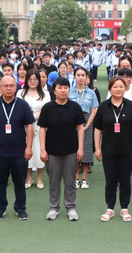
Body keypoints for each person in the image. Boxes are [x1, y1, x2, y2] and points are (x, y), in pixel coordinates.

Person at [0, 76, 35, 221]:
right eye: (5, 85)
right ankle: (0, 209)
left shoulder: (23, 105)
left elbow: (29, 126)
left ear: (16, 87)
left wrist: (29, 147)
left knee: (20, 182)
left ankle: (20, 208)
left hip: (19, 151)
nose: (8, 88)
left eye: (11, 85)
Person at [94, 77, 132, 222]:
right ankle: (110, 208)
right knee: (110, 180)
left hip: (126, 149)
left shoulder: (130, 106)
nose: (119, 89)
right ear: (110, 89)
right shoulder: (103, 106)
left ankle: (124, 207)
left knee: (125, 179)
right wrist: (97, 148)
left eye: (121, 86)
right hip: (108, 149)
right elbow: (97, 128)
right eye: (115, 87)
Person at [38, 77, 85, 221]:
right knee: (54, 180)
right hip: (52, 151)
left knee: (70, 180)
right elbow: (42, 129)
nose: (63, 90)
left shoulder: (75, 107)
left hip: (71, 150)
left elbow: (80, 128)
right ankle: (53, 207)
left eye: (65, 88)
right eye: (60, 88)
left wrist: (80, 148)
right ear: (55, 90)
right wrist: (42, 149)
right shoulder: (47, 108)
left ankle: (71, 207)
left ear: (69, 89)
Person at [17, 69, 50, 189]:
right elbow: (18, 108)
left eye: (35, 79)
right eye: (30, 79)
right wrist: (28, 119)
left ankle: (40, 178)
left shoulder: (45, 93)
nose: (32, 81)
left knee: (39, 150)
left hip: (40, 125)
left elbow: (46, 108)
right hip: (24, 125)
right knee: (27, 150)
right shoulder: (20, 93)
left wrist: (34, 117)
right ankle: (29, 177)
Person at [68, 66, 98, 189]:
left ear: (87, 78)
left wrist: (88, 124)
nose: (80, 78)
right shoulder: (69, 91)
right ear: (74, 77)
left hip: (86, 121)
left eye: (83, 75)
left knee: (86, 150)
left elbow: (94, 109)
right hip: (72, 122)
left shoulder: (91, 92)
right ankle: (76, 177)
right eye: (78, 75)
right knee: (74, 150)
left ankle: (84, 178)